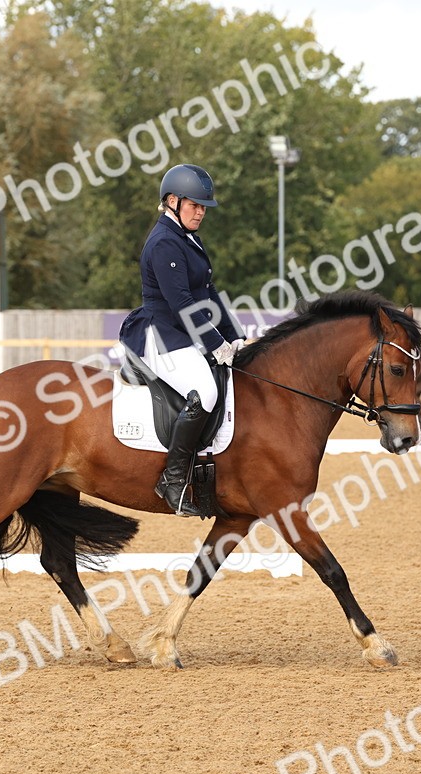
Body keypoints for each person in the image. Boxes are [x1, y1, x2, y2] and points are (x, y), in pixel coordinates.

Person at [119, 164, 245, 516]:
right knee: (205, 392)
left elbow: (209, 294)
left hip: (184, 332)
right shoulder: (163, 243)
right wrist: (214, 344)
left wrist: (235, 337)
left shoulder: (188, 239)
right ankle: (172, 480)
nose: (201, 212)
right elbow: (181, 304)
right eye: (195, 205)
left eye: (204, 207)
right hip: (162, 336)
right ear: (172, 201)